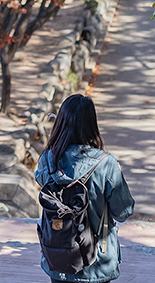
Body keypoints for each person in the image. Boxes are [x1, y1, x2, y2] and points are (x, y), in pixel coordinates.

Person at [35, 94, 135, 283]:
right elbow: (124, 211)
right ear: (91, 123)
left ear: (61, 123)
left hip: (57, 257)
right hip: (96, 262)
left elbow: (41, 180)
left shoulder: (47, 159)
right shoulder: (106, 164)